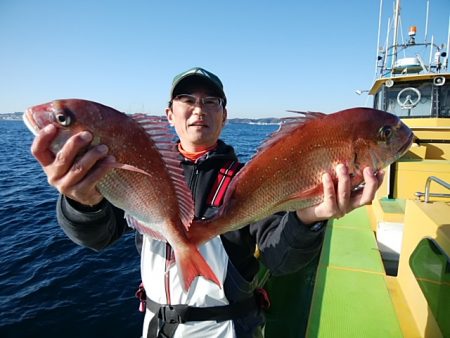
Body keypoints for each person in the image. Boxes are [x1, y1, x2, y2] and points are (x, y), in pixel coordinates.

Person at [30, 67, 383, 338]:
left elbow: (281, 257)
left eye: (211, 101)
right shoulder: (142, 168)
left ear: (224, 116)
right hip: (155, 326)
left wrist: (312, 217)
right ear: (169, 114)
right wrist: (82, 201)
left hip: (227, 330)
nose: (199, 108)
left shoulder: (251, 180)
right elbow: (97, 237)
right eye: (188, 100)